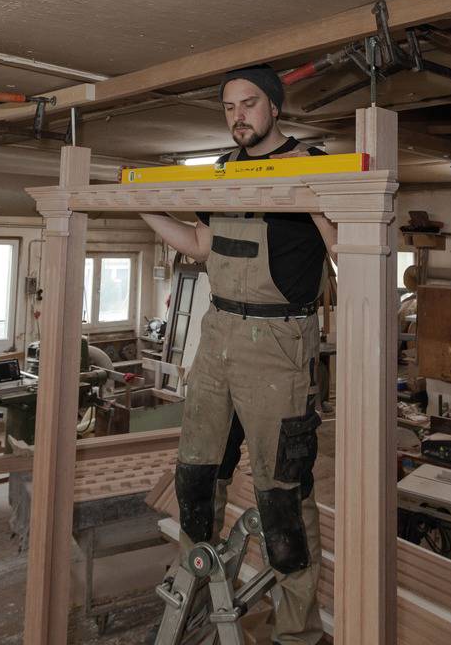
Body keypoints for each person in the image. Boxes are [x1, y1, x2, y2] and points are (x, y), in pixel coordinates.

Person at [142, 65, 333, 644]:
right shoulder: (223, 173)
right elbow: (202, 245)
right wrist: (143, 208)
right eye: (229, 108)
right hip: (217, 331)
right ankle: (200, 595)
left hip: (278, 343)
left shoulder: (309, 166)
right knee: (198, 474)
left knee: (283, 494)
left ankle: (296, 632)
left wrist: (322, 199)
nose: (239, 117)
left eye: (249, 104)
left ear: (275, 107)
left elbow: (348, 248)